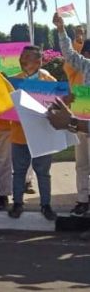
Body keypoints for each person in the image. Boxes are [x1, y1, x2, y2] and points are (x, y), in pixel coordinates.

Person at [8, 45, 58, 220]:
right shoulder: (13, 82)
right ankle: (17, 204)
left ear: (39, 61)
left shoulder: (50, 81)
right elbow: (7, 108)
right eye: (22, 57)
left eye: (27, 57)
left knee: (43, 172)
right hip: (20, 134)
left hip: (42, 135)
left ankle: (46, 205)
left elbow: (57, 107)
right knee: (19, 171)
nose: (23, 60)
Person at [55, 13, 90, 217]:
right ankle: (82, 200)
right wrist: (61, 29)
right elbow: (68, 54)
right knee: (82, 164)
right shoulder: (85, 65)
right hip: (82, 119)